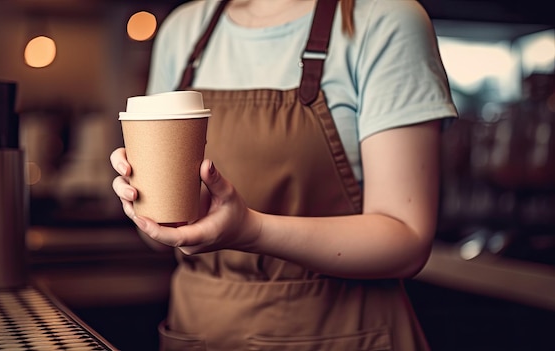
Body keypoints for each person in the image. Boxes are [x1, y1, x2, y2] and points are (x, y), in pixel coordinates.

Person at [110, 0, 458, 349]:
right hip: (199, 331)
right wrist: (159, 208)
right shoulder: (183, 29)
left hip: (339, 334)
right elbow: (158, 236)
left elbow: (407, 241)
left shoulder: (383, 19)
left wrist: (251, 230)